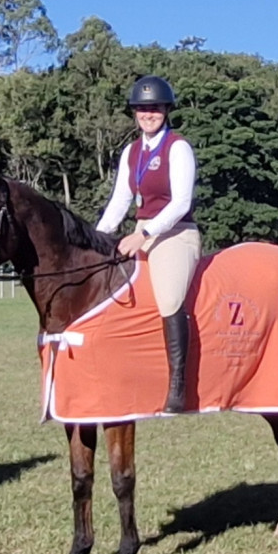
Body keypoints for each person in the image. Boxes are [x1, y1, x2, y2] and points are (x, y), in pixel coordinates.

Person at [95, 75, 202, 413]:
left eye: (154, 108)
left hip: (175, 233)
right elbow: (120, 200)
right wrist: (98, 238)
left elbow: (181, 202)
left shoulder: (178, 147)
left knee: (169, 297)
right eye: (142, 109)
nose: (148, 114)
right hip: (139, 230)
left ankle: (178, 385)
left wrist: (143, 235)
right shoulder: (132, 151)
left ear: (166, 110)